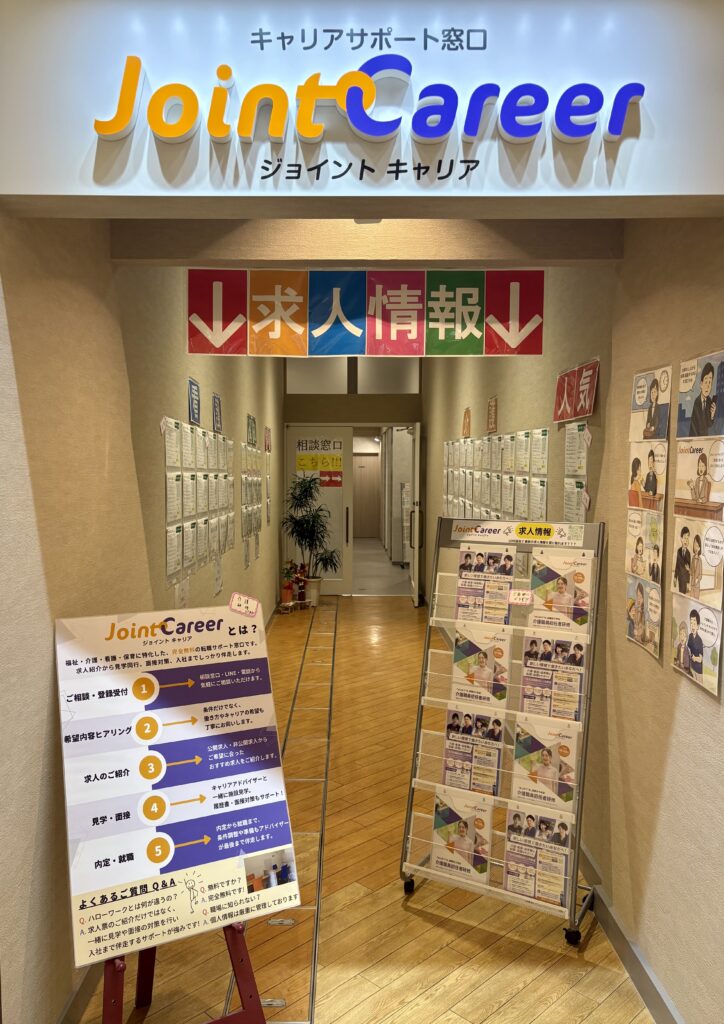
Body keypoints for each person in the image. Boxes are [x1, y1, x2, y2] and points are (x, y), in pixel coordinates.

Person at [688, 361, 716, 437]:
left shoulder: (709, 401)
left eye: (710, 382)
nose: (708, 386)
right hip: (695, 437)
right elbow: (694, 426)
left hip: (704, 438)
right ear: (701, 384)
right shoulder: (696, 402)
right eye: (706, 382)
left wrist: (712, 415)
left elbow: (709, 424)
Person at [687, 609, 704, 681]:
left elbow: (700, 659)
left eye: (694, 624)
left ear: (698, 626)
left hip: (698, 670)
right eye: (691, 623)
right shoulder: (690, 636)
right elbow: (688, 648)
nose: (692, 626)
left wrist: (694, 658)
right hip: (691, 667)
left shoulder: (699, 640)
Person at [673, 526, 691, 594]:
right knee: (680, 593)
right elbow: (677, 565)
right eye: (684, 538)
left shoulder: (688, 553)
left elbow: (689, 570)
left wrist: (688, 583)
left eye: (687, 538)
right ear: (681, 539)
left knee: (684, 594)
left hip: (685, 580)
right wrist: (675, 577)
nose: (686, 540)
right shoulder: (679, 551)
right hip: (680, 578)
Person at [690, 534, 703, 599]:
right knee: (691, 599)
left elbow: (700, 575)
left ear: (699, 548)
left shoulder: (700, 560)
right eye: (695, 545)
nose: (696, 548)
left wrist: (697, 580)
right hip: (692, 584)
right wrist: (688, 569)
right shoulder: (692, 558)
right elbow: (691, 572)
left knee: (696, 600)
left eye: (697, 546)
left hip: (697, 585)